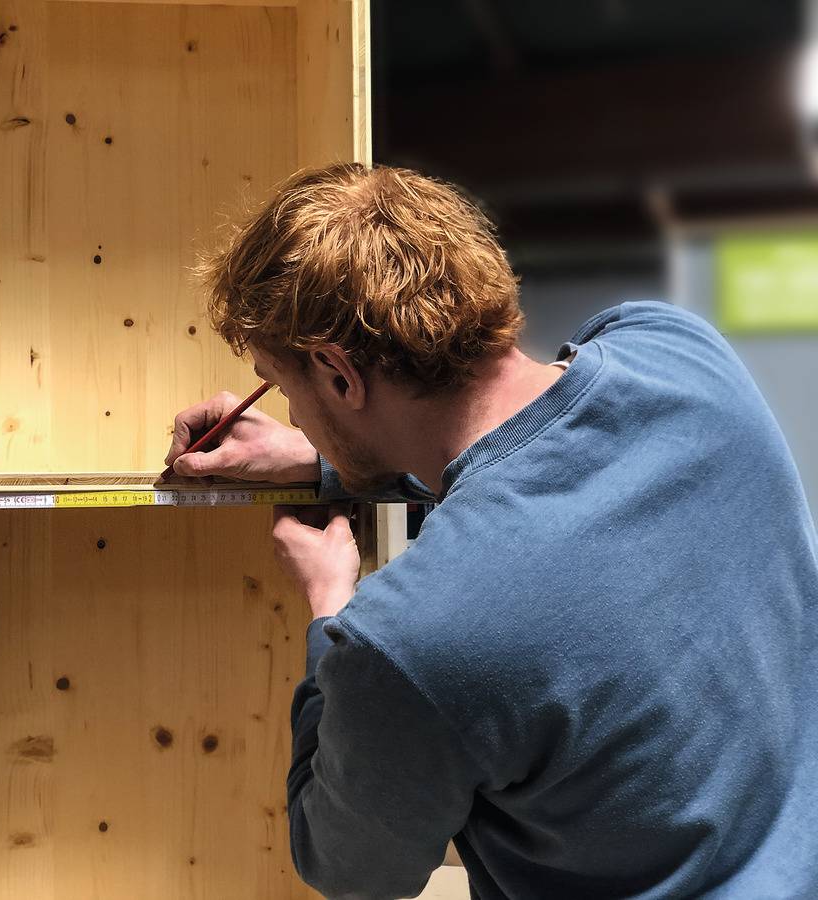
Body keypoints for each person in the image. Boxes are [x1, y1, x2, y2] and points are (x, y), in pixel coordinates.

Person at [163, 163, 818, 900]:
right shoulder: (683, 356)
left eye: (284, 389)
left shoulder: (408, 643)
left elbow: (353, 869)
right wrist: (323, 459)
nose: (290, 415)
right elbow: (532, 463)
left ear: (340, 375)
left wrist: (332, 614)